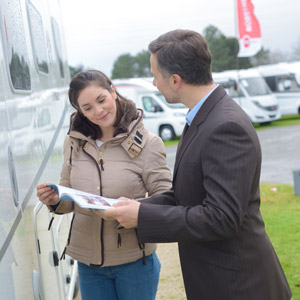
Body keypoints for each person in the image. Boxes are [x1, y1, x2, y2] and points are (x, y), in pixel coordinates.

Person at [101, 29, 292, 300]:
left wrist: (141, 217)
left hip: (238, 285)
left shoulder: (225, 125)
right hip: (218, 279)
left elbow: (221, 218)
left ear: (175, 80)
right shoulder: (203, 116)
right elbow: (186, 195)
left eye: (155, 74)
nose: (154, 82)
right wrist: (131, 208)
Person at [36, 70, 172, 300]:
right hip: (89, 265)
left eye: (101, 100)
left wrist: (134, 210)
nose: (98, 111)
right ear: (80, 111)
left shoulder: (149, 143)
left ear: (112, 90)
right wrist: (55, 200)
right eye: (87, 108)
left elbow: (166, 198)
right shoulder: (72, 142)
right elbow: (67, 195)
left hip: (135, 263)